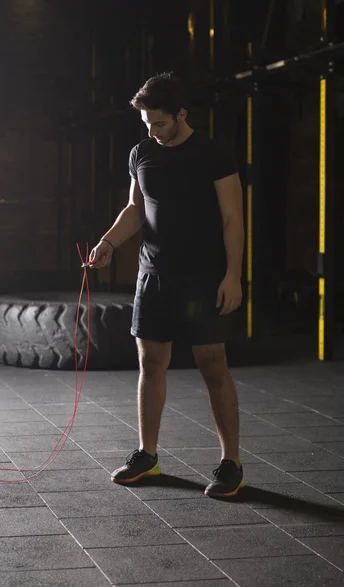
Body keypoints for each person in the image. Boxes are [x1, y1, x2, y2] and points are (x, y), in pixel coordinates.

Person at [89, 72, 245, 497]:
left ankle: (230, 462)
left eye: (159, 123)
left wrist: (233, 275)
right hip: (153, 275)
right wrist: (108, 243)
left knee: (213, 366)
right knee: (151, 365)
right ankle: (148, 455)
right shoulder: (141, 152)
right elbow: (135, 209)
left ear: (180, 114)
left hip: (204, 278)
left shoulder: (213, 154)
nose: (153, 132)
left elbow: (233, 218)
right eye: (146, 125)